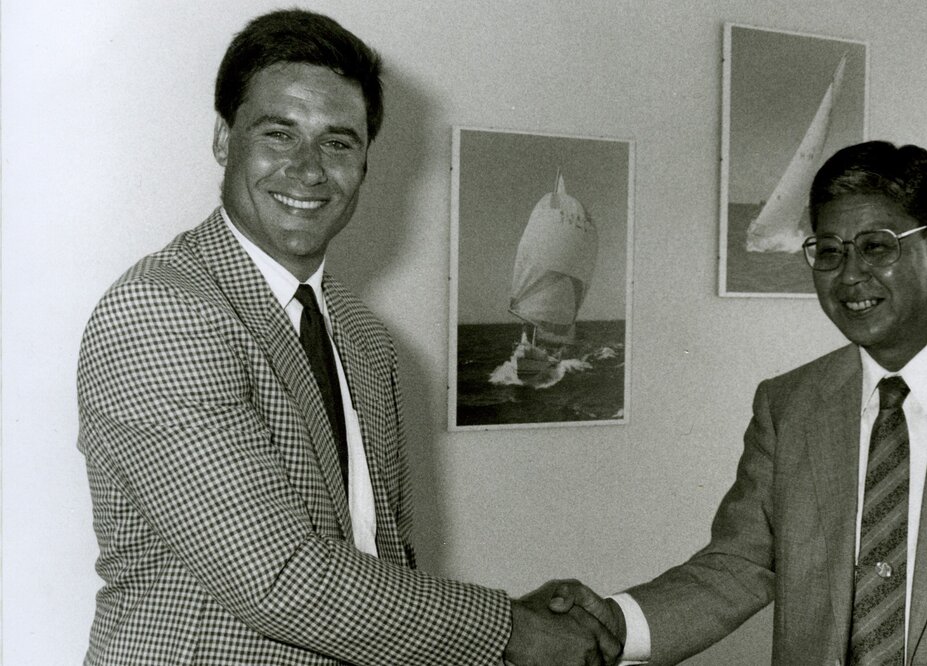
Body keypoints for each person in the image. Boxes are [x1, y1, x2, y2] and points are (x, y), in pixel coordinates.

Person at [76, 9, 617, 665]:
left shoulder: (363, 335)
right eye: (279, 134)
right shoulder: (162, 313)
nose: (308, 170)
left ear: (364, 163)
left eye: (337, 143)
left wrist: (518, 621)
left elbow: (378, 558)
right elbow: (277, 578)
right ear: (223, 139)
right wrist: (509, 630)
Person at [549, 141, 927, 665]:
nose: (849, 276)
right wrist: (611, 622)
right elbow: (734, 567)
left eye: (877, 247)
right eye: (830, 251)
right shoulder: (788, 406)